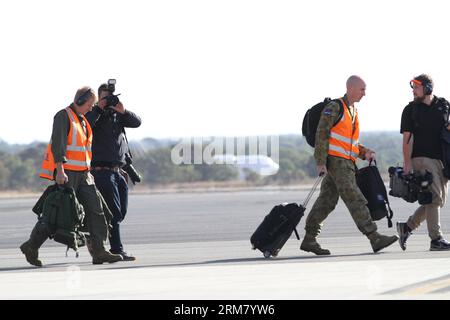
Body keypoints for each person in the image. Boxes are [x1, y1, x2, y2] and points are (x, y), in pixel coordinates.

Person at [20, 86, 123, 266]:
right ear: (80, 101)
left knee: (96, 210)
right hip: (67, 174)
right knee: (57, 214)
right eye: (90, 104)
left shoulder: (82, 120)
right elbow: (58, 143)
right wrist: (59, 170)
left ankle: (99, 251)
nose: (91, 108)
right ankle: (31, 245)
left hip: (84, 175)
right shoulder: (63, 116)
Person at [300, 75, 399, 255]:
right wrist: (320, 162)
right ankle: (374, 236)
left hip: (345, 162)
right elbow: (321, 135)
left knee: (327, 201)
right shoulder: (334, 107)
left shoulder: (352, 110)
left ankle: (309, 239)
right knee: (355, 198)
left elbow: (349, 143)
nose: (364, 94)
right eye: (362, 89)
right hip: (336, 163)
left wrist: (364, 152)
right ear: (351, 88)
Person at [85, 83, 141, 261]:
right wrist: (99, 108)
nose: (108, 100)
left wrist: (123, 110)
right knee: (114, 213)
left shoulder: (117, 115)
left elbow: (137, 122)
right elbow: (86, 125)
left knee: (121, 212)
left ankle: (92, 236)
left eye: (110, 97)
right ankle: (116, 249)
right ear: (97, 99)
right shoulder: (92, 115)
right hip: (101, 171)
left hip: (118, 171)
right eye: (104, 97)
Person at [397, 74, 450, 251]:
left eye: (416, 87)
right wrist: (407, 164)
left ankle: (407, 227)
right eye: (413, 87)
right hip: (421, 158)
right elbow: (407, 139)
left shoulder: (443, 105)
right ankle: (436, 240)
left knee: (435, 201)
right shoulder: (410, 110)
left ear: (428, 88)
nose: (413, 91)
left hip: (442, 160)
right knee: (434, 199)